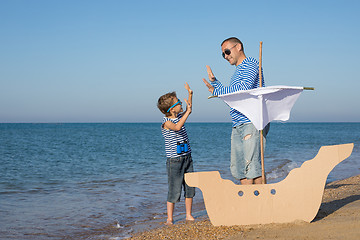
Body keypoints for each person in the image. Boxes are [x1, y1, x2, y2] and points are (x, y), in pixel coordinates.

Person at [202, 37, 270, 185]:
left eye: (227, 52)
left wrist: (217, 90)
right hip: (238, 123)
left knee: (253, 167)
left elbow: (241, 89)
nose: (226, 56)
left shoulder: (251, 64)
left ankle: (263, 204)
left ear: (238, 47)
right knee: (239, 169)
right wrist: (215, 83)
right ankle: (247, 204)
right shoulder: (237, 72)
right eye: (223, 54)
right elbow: (233, 98)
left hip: (251, 121)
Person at [157, 82, 195, 225]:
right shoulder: (166, 122)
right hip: (174, 161)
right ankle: (170, 218)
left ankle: (189, 214)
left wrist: (190, 95)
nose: (181, 103)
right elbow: (178, 127)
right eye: (179, 102)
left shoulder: (179, 116)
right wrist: (187, 112)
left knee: (190, 187)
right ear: (172, 109)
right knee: (174, 189)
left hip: (187, 158)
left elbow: (188, 110)